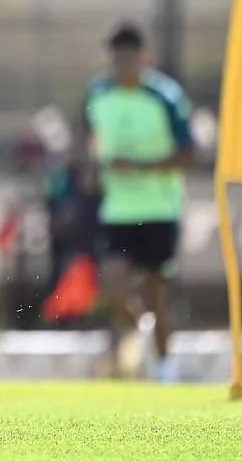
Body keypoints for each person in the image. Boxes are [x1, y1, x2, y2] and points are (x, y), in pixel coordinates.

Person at [82, 22, 193, 382]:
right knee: (114, 288)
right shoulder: (98, 95)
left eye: (130, 58)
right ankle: (132, 338)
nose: (124, 65)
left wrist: (140, 166)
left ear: (143, 58)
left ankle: (164, 367)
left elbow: (188, 155)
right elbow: (90, 141)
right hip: (118, 211)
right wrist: (92, 168)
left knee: (156, 297)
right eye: (118, 59)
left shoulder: (166, 97)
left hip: (159, 210)